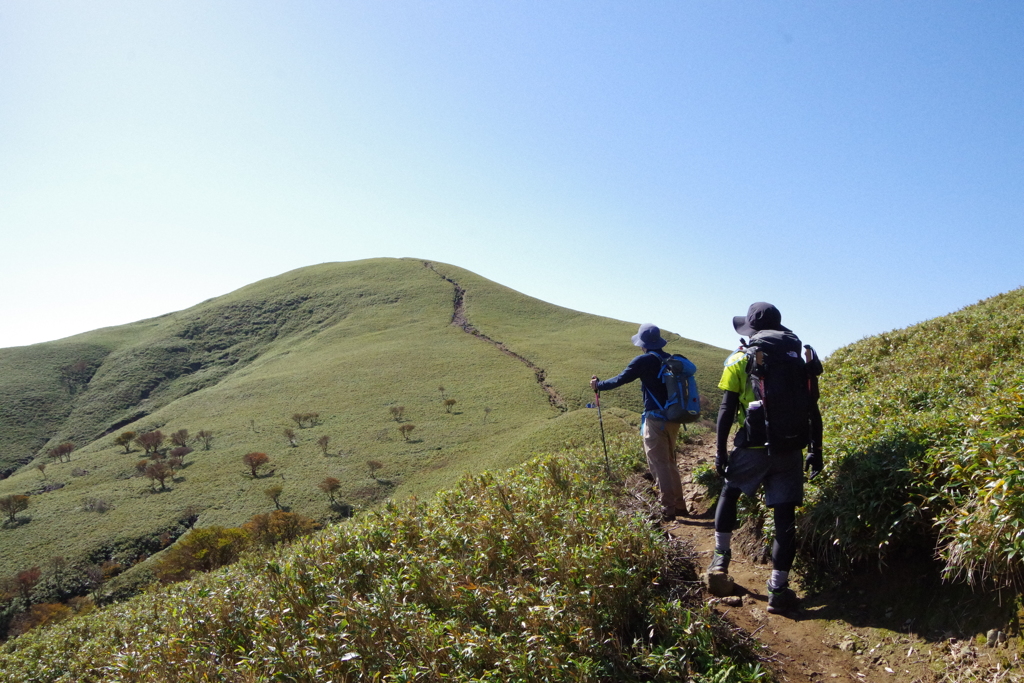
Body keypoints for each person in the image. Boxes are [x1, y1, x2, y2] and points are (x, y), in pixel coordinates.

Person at [707, 302, 823, 614]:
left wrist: (720, 452)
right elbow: (812, 409)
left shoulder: (740, 359)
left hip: (753, 448)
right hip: (790, 450)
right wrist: (816, 450)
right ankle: (778, 588)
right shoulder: (798, 360)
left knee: (730, 493)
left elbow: (726, 410)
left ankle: (720, 559)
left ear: (752, 328)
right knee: (784, 518)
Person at [590, 323, 688, 521]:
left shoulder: (643, 361)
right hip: (675, 417)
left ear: (643, 344)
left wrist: (598, 385)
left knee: (658, 463)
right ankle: (680, 505)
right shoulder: (670, 359)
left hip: (655, 418)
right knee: (669, 461)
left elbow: (621, 379)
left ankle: (668, 509)